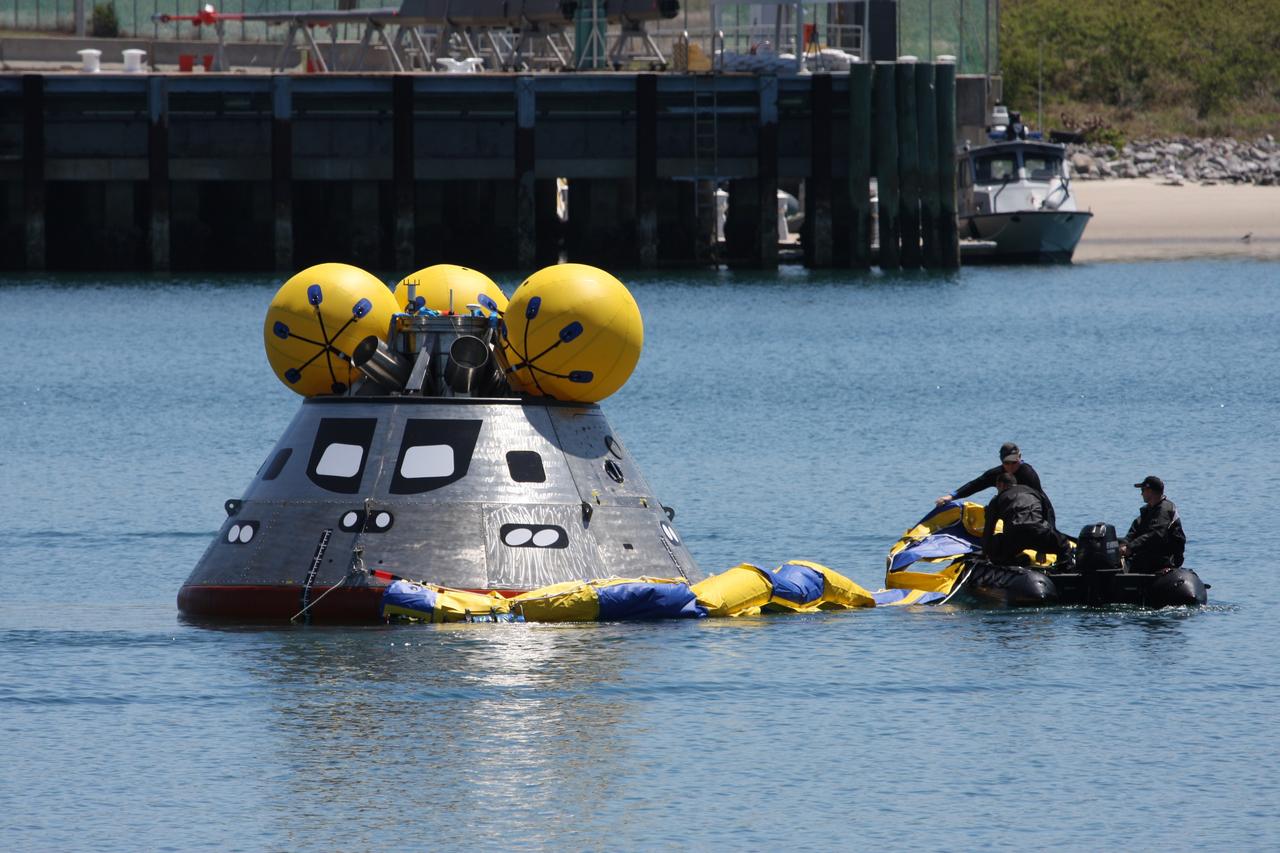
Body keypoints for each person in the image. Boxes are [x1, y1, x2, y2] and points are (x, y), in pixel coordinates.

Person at [981, 472, 1060, 565]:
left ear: (1000, 485)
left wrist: (985, 553)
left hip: (1015, 536)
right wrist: (1042, 550)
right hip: (1038, 534)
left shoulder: (998, 499)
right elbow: (1048, 518)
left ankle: (1013, 562)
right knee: (1063, 545)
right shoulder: (1034, 493)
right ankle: (1066, 567)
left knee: (996, 542)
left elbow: (989, 528)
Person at [936, 442, 1045, 506]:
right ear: (1001, 461)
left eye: (1014, 462)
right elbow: (975, 485)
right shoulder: (997, 473)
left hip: (1035, 511)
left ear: (1020, 457)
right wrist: (951, 496)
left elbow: (1040, 498)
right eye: (1007, 462)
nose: (1011, 466)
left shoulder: (1028, 473)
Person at [1120, 476, 1186, 573]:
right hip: (1148, 556)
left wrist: (1130, 548)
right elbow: (1134, 531)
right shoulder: (1147, 510)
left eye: (1143, 490)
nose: (1141, 493)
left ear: (1150, 491)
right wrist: (1123, 545)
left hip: (1165, 559)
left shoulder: (1165, 509)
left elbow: (1156, 534)